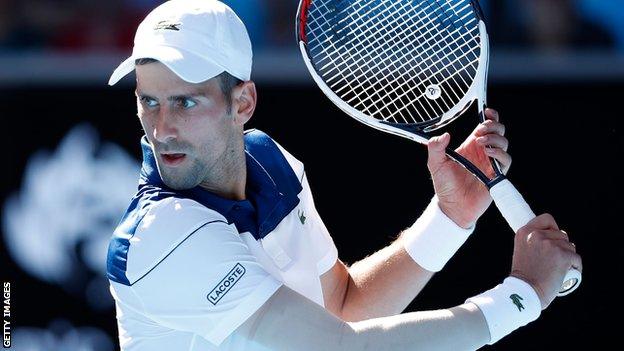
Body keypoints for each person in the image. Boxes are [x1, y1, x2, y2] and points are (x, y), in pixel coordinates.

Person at [106, 1, 582, 350]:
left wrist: (450, 218)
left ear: (243, 103)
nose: (161, 128)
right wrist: (520, 298)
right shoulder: (161, 236)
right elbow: (340, 349)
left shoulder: (272, 165)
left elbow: (341, 306)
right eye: (148, 100)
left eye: (185, 102)